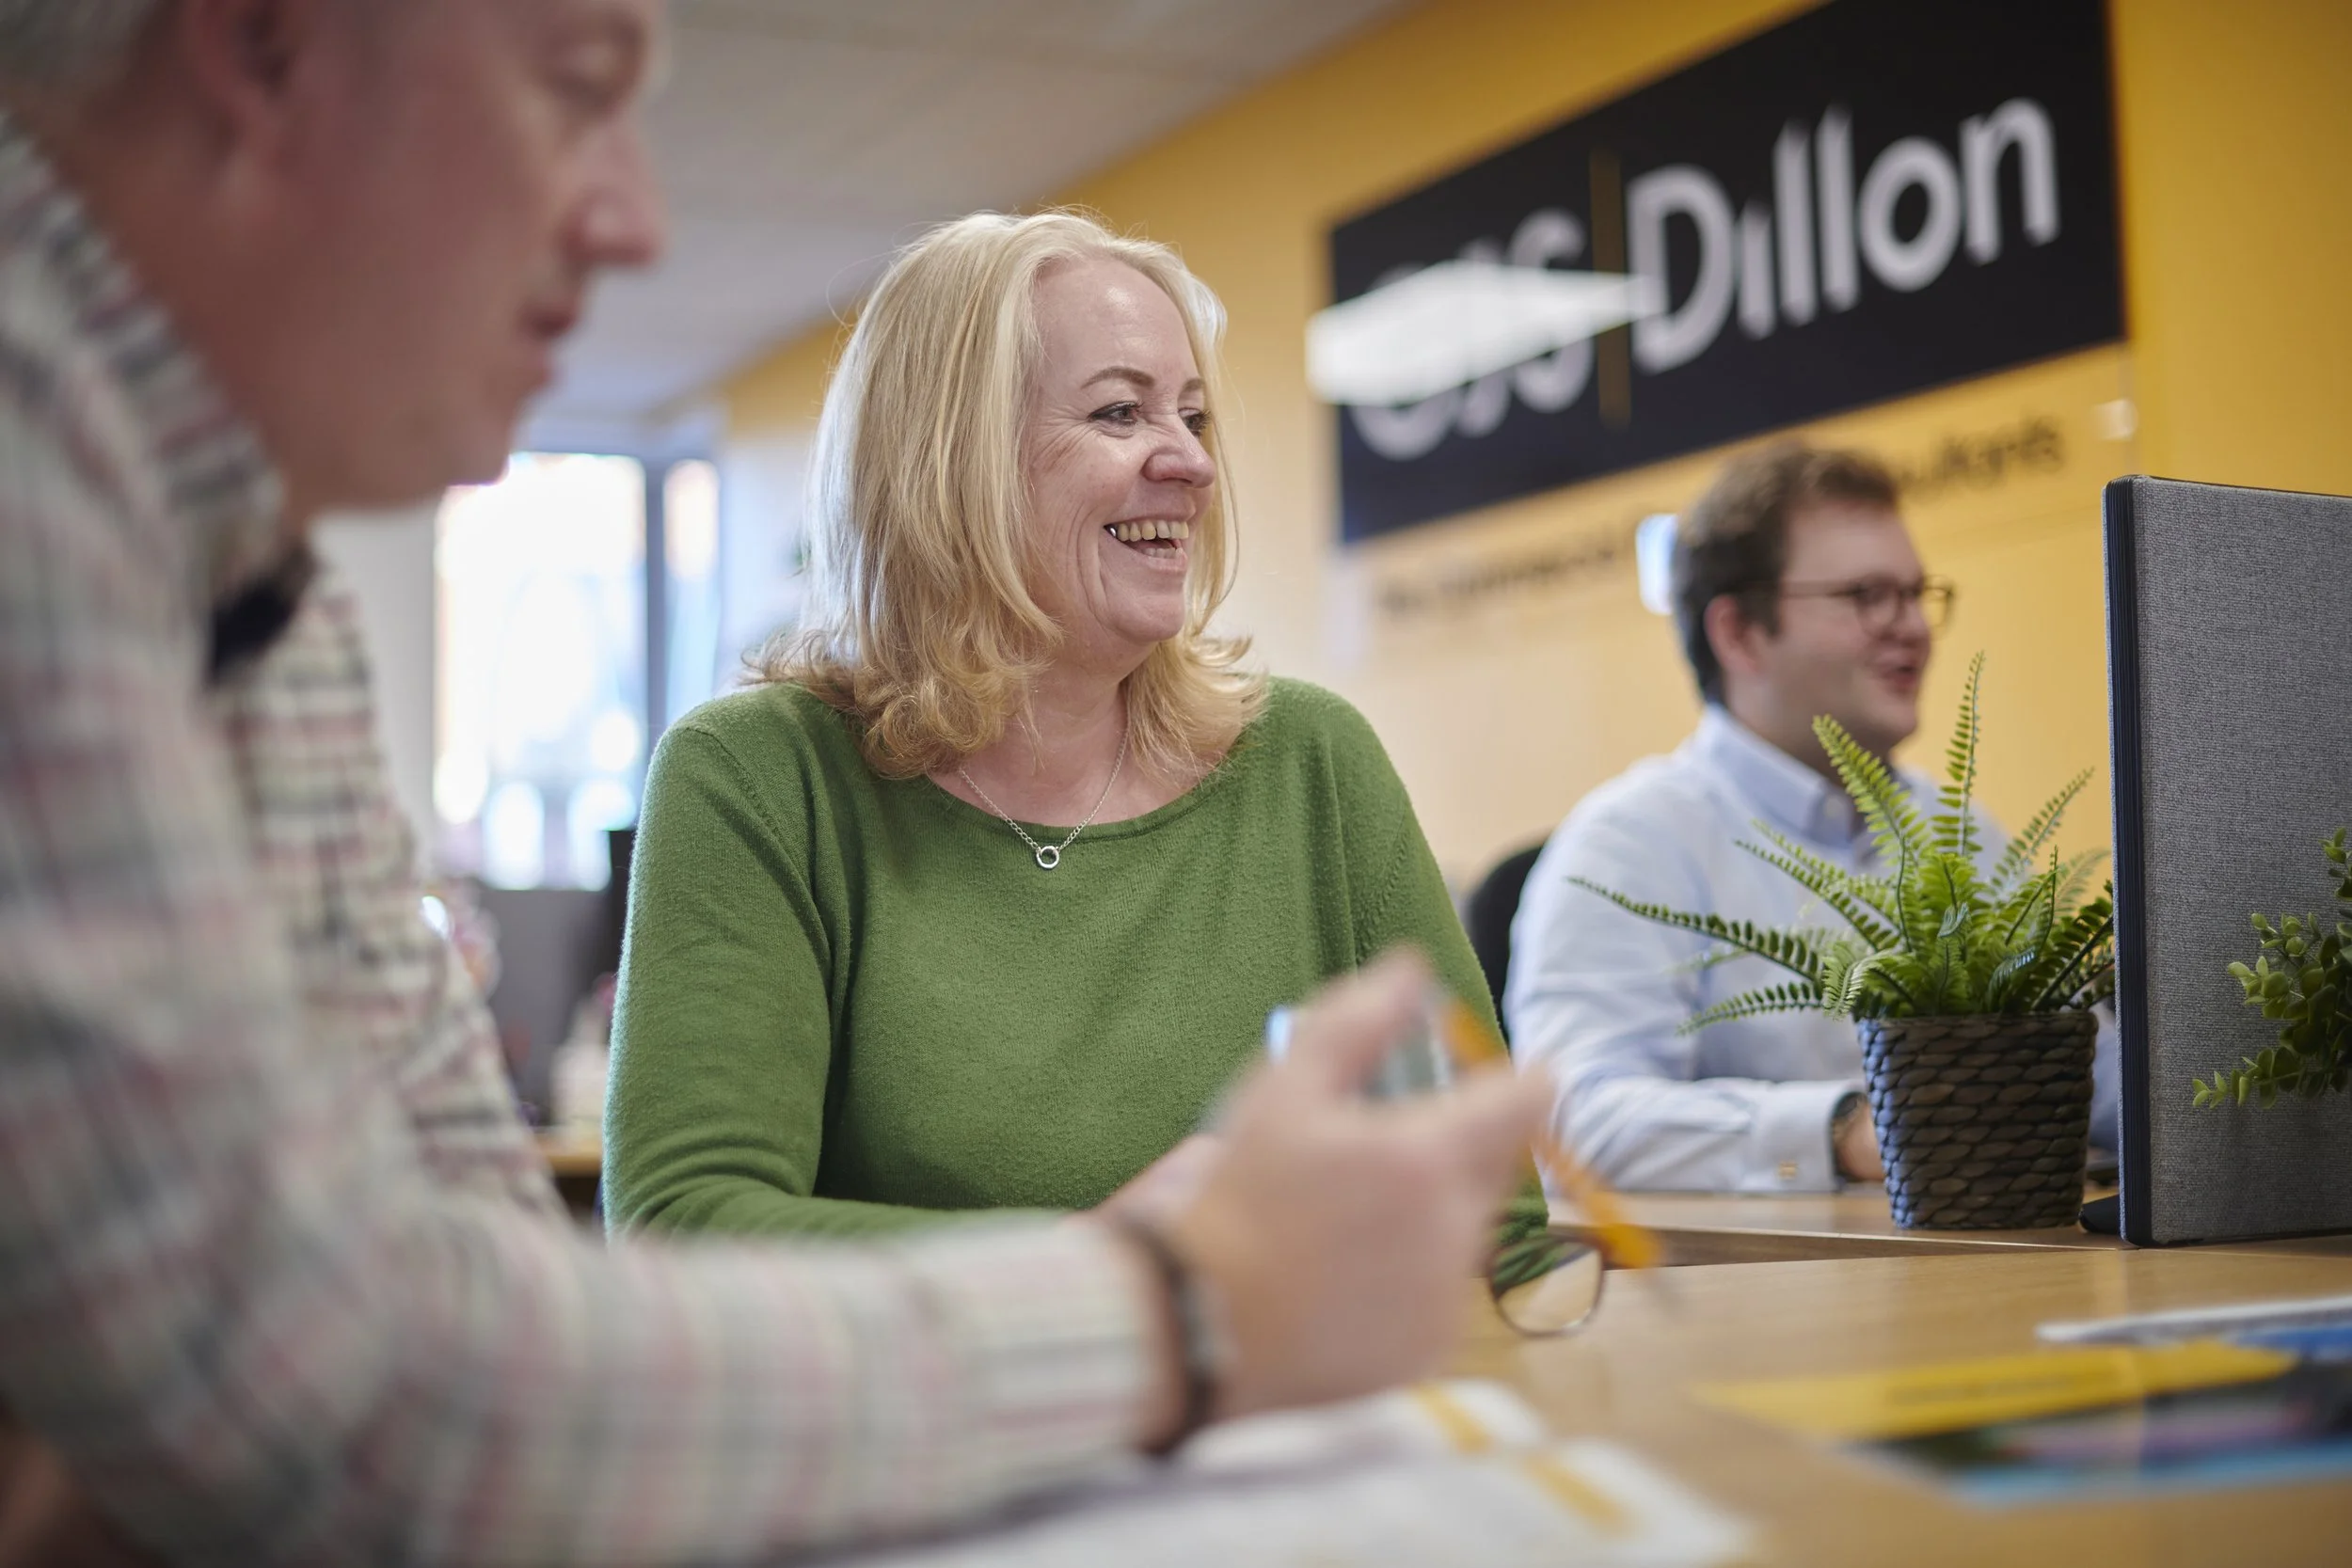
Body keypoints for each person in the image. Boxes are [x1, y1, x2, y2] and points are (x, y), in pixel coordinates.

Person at [0, 3, 1551, 1563]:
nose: (634, 215)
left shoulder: (262, 587)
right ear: (263, 44)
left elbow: (465, 1263)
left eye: (1197, 415)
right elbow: (354, 1376)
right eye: (573, 91)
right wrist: (1180, 1296)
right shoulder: (50, 502)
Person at [604, 209, 1518, 1239]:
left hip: (1296, 1398)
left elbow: (1495, 1216)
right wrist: (1109, 1269)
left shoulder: (1312, 761)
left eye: (1194, 416)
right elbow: (686, 1227)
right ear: (953, 459)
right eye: (1121, 414)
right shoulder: (760, 776)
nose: (1191, 464)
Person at [1507, 441, 2116, 1194]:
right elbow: (1578, 1126)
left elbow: (2106, 1082)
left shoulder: (1962, 832)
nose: (1914, 628)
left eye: (1917, 592)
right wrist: (1856, 1128)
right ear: (1738, 633)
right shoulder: (1626, 847)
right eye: (1865, 595)